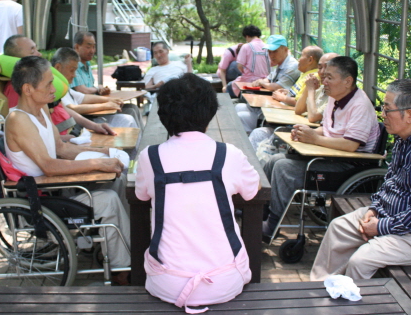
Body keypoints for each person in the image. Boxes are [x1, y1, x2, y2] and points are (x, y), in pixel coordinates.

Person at [311, 79, 411, 281]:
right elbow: (390, 182)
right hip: (391, 218)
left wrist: (380, 227)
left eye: (387, 109)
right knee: (338, 228)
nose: (382, 115)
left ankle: (352, 299)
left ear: (410, 115)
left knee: (361, 261)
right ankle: (323, 286)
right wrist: (374, 209)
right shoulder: (403, 139)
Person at [135, 73, 260, 312]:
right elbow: (252, 191)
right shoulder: (229, 154)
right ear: (210, 113)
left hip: (166, 282)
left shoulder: (149, 157)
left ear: (163, 115)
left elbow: (141, 195)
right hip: (224, 281)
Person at [4, 56, 131, 277]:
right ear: (28, 89)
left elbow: (61, 149)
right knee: (108, 199)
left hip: (57, 189)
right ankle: (122, 269)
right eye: (48, 84)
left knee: (118, 180)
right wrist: (97, 163)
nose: (54, 89)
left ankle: (121, 252)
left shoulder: (41, 110)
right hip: (40, 201)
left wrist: (105, 153)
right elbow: (49, 165)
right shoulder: (18, 119)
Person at [262, 56, 380, 240]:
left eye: (329, 78)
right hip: (330, 156)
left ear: (348, 81)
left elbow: (350, 144)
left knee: (284, 167)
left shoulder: (360, 105)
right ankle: (261, 211)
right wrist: (306, 133)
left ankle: (272, 225)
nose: (324, 81)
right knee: (274, 161)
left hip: (350, 165)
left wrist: (315, 139)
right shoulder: (335, 98)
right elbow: (327, 129)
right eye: (324, 76)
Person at [0, 35, 117, 140]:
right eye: (32, 52)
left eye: (37, 49)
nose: (39, 54)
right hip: (67, 139)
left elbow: (62, 108)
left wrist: (94, 126)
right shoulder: (18, 89)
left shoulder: (41, 84)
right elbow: (28, 133)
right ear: (18, 61)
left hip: (75, 132)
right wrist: (63, 141)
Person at [247, 46, 323, 150]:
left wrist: (283, 98)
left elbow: (301, 105)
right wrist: (287, 92)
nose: (298, 59)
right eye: (269, 52)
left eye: (301, 56)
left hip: (292, 121)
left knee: (258, 132)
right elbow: (297, 95)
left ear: (310, 60)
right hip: (287, 115)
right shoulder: (305, 74)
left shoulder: (313, 77)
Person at [51, 47, 140, 128]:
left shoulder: (64, 86)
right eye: (72, 71)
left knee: (131, 111)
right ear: (58, 67)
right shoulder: (54, 89)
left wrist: (109, 100)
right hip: (78, 125)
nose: (74, 75)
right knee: (128, 120)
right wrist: (104, 106)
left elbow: (83, 98)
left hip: (83, 122)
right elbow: (72, 108)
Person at [235, 35, 300, 133]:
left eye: (275, 51)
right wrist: (262, 82)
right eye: (269, 52)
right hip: (271, 105)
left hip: (281, 113)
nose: (271, 55)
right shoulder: (280, 64)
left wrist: (261, 82)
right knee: (239, 107)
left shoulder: (292, 66)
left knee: (241, 117)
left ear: (285, 50)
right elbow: (268, 79)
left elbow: (277, 86)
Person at [225, 25, 271, 98]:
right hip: (266, 81)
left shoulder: (246, 46)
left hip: (249, 81)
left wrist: (244, 72)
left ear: (247, 36)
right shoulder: (267, 47)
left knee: (229, 86)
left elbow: (239, 66)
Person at [293, 52, 339, 123]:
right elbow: (298, 110)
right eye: (320, 68)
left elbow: (313, 117)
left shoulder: (337, 95)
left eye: (327, 67)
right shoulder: (322, 88)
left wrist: (311, 90)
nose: (322, 72)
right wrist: (307, 88)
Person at [71, 31, 110, 95]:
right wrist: (98, 88)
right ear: (77, 47)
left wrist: (100, 90)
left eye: (93, 47)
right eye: (88, 47)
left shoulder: (87, 64)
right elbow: (83, 90)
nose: (92, 51)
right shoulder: (72, 66)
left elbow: (89, 88)